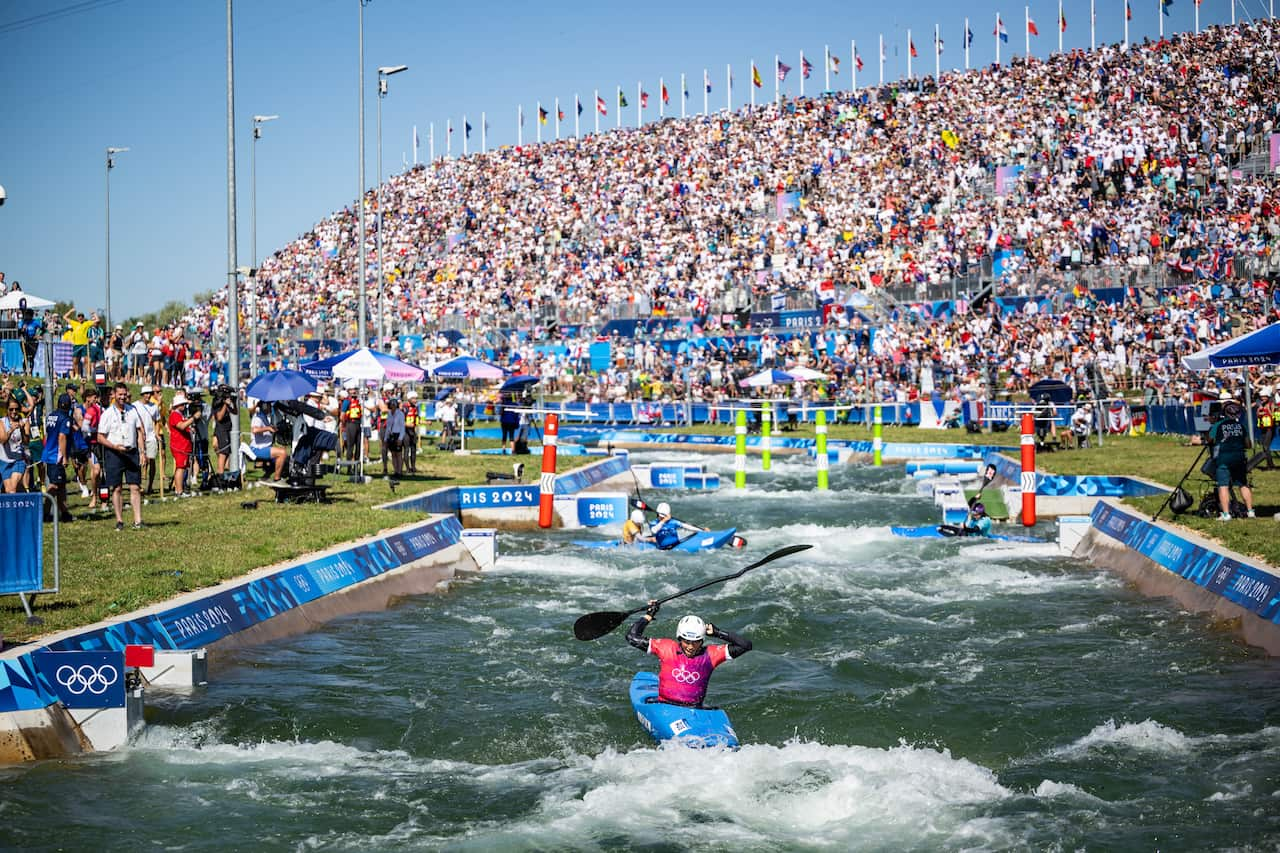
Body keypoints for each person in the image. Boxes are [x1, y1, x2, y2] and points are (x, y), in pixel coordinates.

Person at [626, 603, 752, 707]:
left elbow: (745, 645)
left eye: (696, 642)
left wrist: (718, 632)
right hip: (663, 706)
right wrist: (648, 616)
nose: (691, 647)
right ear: (679, 638)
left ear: (702, 640)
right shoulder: (666, 648)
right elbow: (632, 637)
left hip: (694, 710)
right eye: (687, 641)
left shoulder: (711, 654)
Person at [97, 381, 146, 531]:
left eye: (125, 395)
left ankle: (138, 520)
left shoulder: (132, 410)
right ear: (114, 395)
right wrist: (114, 446)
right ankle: (119, 520)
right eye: (120, 395)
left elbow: (139, 431)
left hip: (131, 452)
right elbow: (100, 437)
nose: (123, 397)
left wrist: (142, 452)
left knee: (135, 486)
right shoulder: (107, 414)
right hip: (114, 452)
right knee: (116, 488)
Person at [1207, 394, 1255, 521]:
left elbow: (1210, 439)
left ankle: (1226, 514)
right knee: (1243, 484)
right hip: (1239, 457)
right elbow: (1248, 444)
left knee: (1223, 485)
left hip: (1224, 457)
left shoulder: (1219, 425)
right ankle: (1250, 511)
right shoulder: (1241, 426)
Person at [42, 392, 74, 523]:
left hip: (49, 453)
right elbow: (62, 437)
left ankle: (64, 513)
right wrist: (65, 457)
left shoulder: (51, 416)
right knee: (55, 486)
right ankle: (44, 512)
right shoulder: (65, 419)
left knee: (61, 486)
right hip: (56, 456)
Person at [249, 400, 288, 481]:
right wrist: (268, 428)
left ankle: (266, 477)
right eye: (269, 405)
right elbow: (255, 430)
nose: (271, 407)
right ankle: (277, 479)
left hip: (263, 447)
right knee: (282, 453)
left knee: (285, 457)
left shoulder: (264, 417)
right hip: (257, 449)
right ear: (265, 406)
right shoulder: (258, 418)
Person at [0, 396, 31, 493]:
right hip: (4, 460)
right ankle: (24, 503)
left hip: (18, 459)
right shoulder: (2, 422)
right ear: (7, 409)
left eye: (16, 409)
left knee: (12, 489)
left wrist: (21, 430)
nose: (14, 411)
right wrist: (11, 429)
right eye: (11, 409)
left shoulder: (25, 421)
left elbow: (26, 442)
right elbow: (3, 440)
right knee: (9, 490)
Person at [168, 392, 196, 496]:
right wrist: (193, 418)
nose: (184, 406)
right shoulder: (175, 415)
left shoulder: (180, 415)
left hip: (184, 445)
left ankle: (181, 489)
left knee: (183, 467)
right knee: (180, 467)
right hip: (179, 446)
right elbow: (181, 426)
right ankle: (179, 491)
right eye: (181, 404)